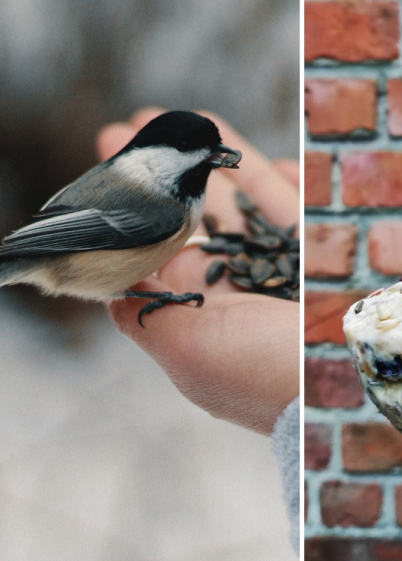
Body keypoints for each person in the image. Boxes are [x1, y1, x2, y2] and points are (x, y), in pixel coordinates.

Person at [96, 108, 300, 555]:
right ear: (153, 158)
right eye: (192, 152)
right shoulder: (161, 202)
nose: (210, 159)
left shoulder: (181, 199)